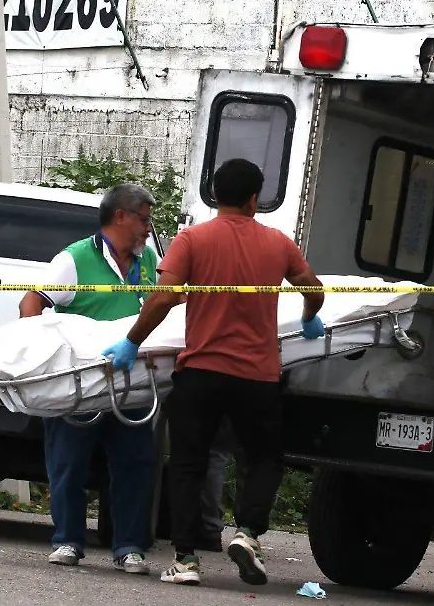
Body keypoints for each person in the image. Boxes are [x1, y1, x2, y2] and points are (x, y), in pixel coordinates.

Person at [103, 158, 326, 587]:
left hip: (201, 372)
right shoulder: (278, 243)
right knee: (264, 458)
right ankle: (247, 532)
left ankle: (185, 560)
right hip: (258, 376)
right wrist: (308, 316)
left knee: (189, 463)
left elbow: (163, 297)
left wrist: (132, 341)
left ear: (215, 195)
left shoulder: (192, 239)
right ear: (254, 199)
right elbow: (313, 288)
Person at [19, 183, 164, 576]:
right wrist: (40, 356)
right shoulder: (75, 259)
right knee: (68, 463)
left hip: (131, 383)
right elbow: (31, 303)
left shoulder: (148, 260)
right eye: (144, 220)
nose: (148, 229)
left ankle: (128, 547)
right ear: (120, 216)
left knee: (134, 464)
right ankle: (67, 539)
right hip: (81, 385)